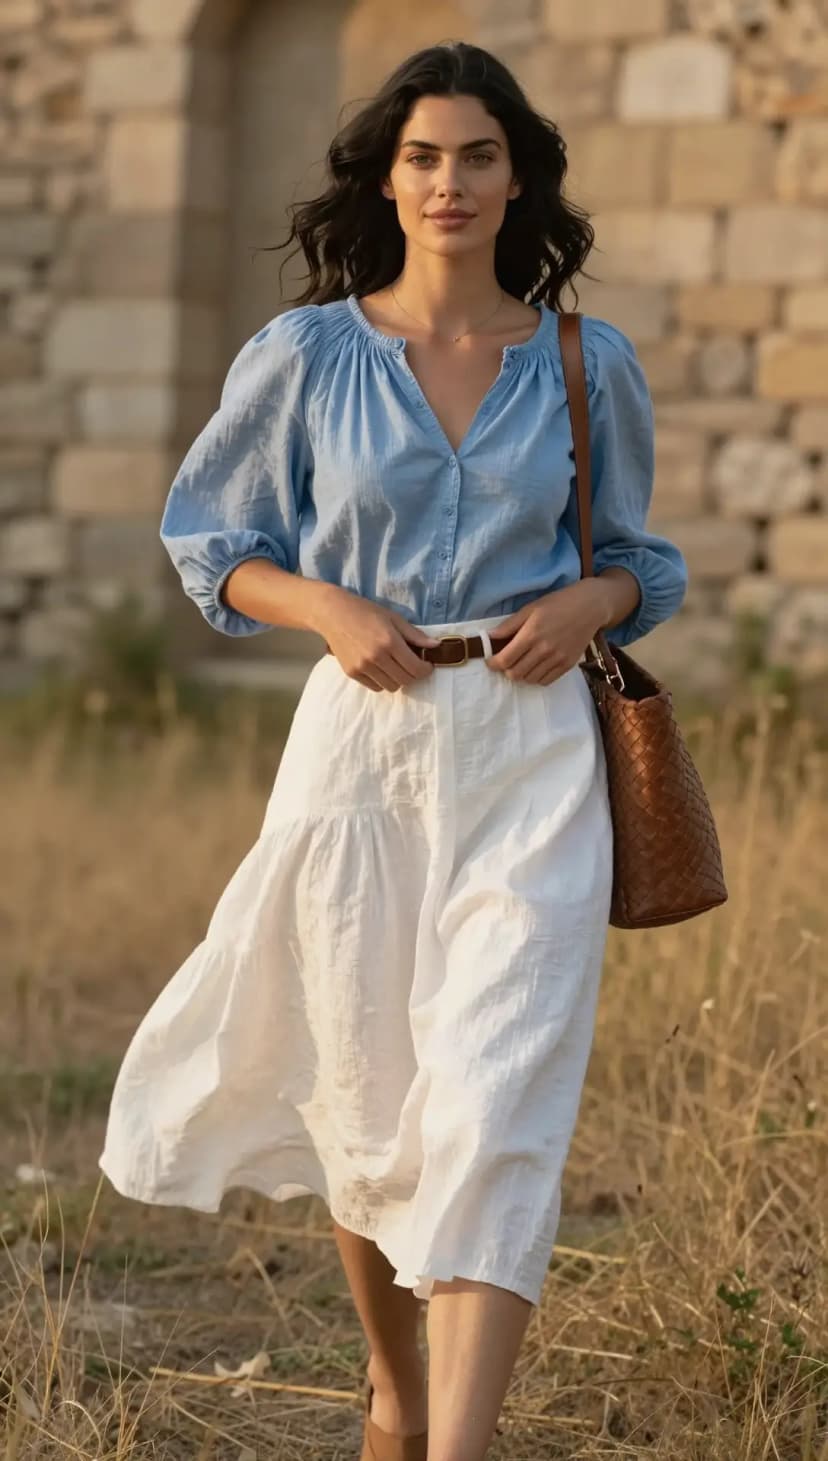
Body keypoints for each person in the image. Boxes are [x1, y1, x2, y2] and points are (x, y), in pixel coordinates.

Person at [98, 40, 688, 1461]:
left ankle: (456, 1449)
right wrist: (323, 605)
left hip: (533, 747)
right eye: (425, 155)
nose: (451, 181)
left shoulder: (582, 357)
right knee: (369, 1089)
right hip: (360, 745)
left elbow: (642, 565)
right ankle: (393, 1387)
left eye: (479, 155)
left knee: (496, 1093)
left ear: (517, 176)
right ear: (384, 173)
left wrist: (581, 600)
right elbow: (212, 545)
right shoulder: (303, 355)